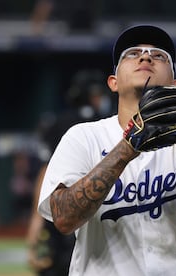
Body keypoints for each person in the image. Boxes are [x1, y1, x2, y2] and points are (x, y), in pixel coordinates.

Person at [37, 24, 176, 275]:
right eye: (132, 53)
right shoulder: (83, 137)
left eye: (159, 55)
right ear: (113, 82)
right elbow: (64, 219)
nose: (146, 56)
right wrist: (127, 148)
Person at [26, 69, 113, 275]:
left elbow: (46, 174)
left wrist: (36, 223)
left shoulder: (57, 123)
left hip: (64, 217)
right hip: (103, 215)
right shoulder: (110, 123)